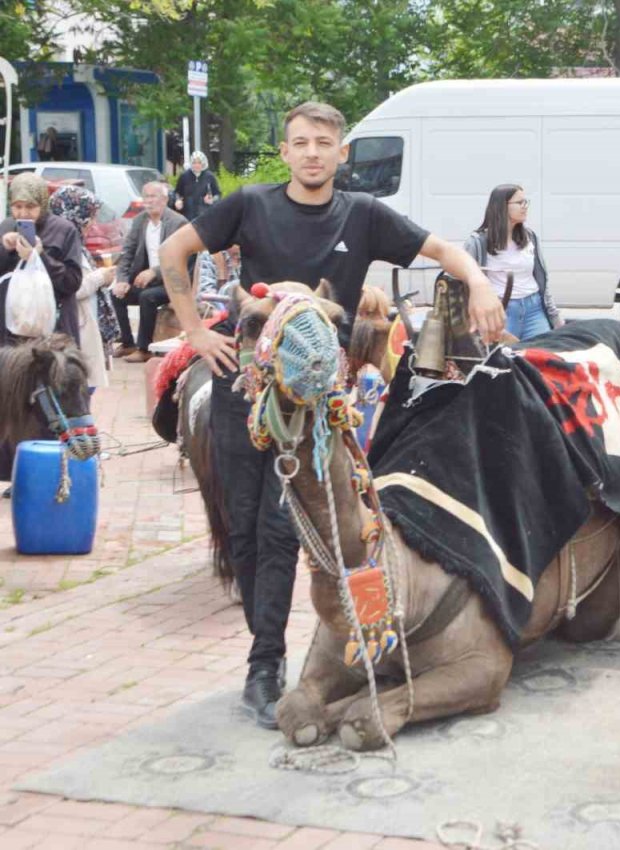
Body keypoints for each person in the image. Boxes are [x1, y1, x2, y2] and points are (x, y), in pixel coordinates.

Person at [159, 101, 505, 730]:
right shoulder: (250, 205)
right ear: (285, 151)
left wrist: (479, 282)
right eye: (300, 142)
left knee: (287, 530)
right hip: (248, 388)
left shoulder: (364, 215)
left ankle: (280, 667)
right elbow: (173, 252)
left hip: (321, 407)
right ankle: (265, 663)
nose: (313, 152)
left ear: (342, 154)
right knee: (243, 530)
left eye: (324, 142)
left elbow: (442, 249)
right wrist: (192, 331)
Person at [464, 184, 562, 341]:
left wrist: (555, 317)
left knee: (541, 357)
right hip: (501, 311)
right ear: (502, 206)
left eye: (526, 202)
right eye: (520, 203)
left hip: (534, 309)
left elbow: (542, 280)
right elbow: (464, 284)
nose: (525, 207)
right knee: (505, 361)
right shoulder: (477, 243)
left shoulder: (530, 237)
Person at [0, 173, 83, 347]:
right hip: (12, 332)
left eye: (30, 206)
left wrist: (39, 257)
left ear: (42, 203)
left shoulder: (64, 230)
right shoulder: (7, 227)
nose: (23, 213)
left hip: (53, 330)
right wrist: (4, 248)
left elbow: (72, 281)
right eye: (17, 206)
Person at [111, 181, 188, 363]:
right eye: (145, 197)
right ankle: (128, 342)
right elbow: (127, 253)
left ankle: (144, 349)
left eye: (153, 197)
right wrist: (121, 280)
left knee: (147, 297)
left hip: (172, 281)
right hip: (145, 280)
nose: (148, 201)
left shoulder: (178, 222)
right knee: (116, 295)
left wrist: (155, 271)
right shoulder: (140, 221)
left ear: (164, 199)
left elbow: (183, 259)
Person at [48, 185, 113, 390]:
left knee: (85, 388)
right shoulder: (59, 244)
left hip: (85, 324)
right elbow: (70, 286)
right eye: (89, 216)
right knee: (77, 390)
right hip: (73, 327)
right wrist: (100, 277)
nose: (93, 224)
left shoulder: (75, 241)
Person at [174, 151, 221, 221]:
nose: (196, 165)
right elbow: (177, 193)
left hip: (204, 216)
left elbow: (218, 195)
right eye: (194, 163)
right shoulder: (184, 176)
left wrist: (212, 200)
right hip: (186, 217)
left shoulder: (210, 177)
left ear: (203, 163)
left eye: (199, 162)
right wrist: (177, 200)